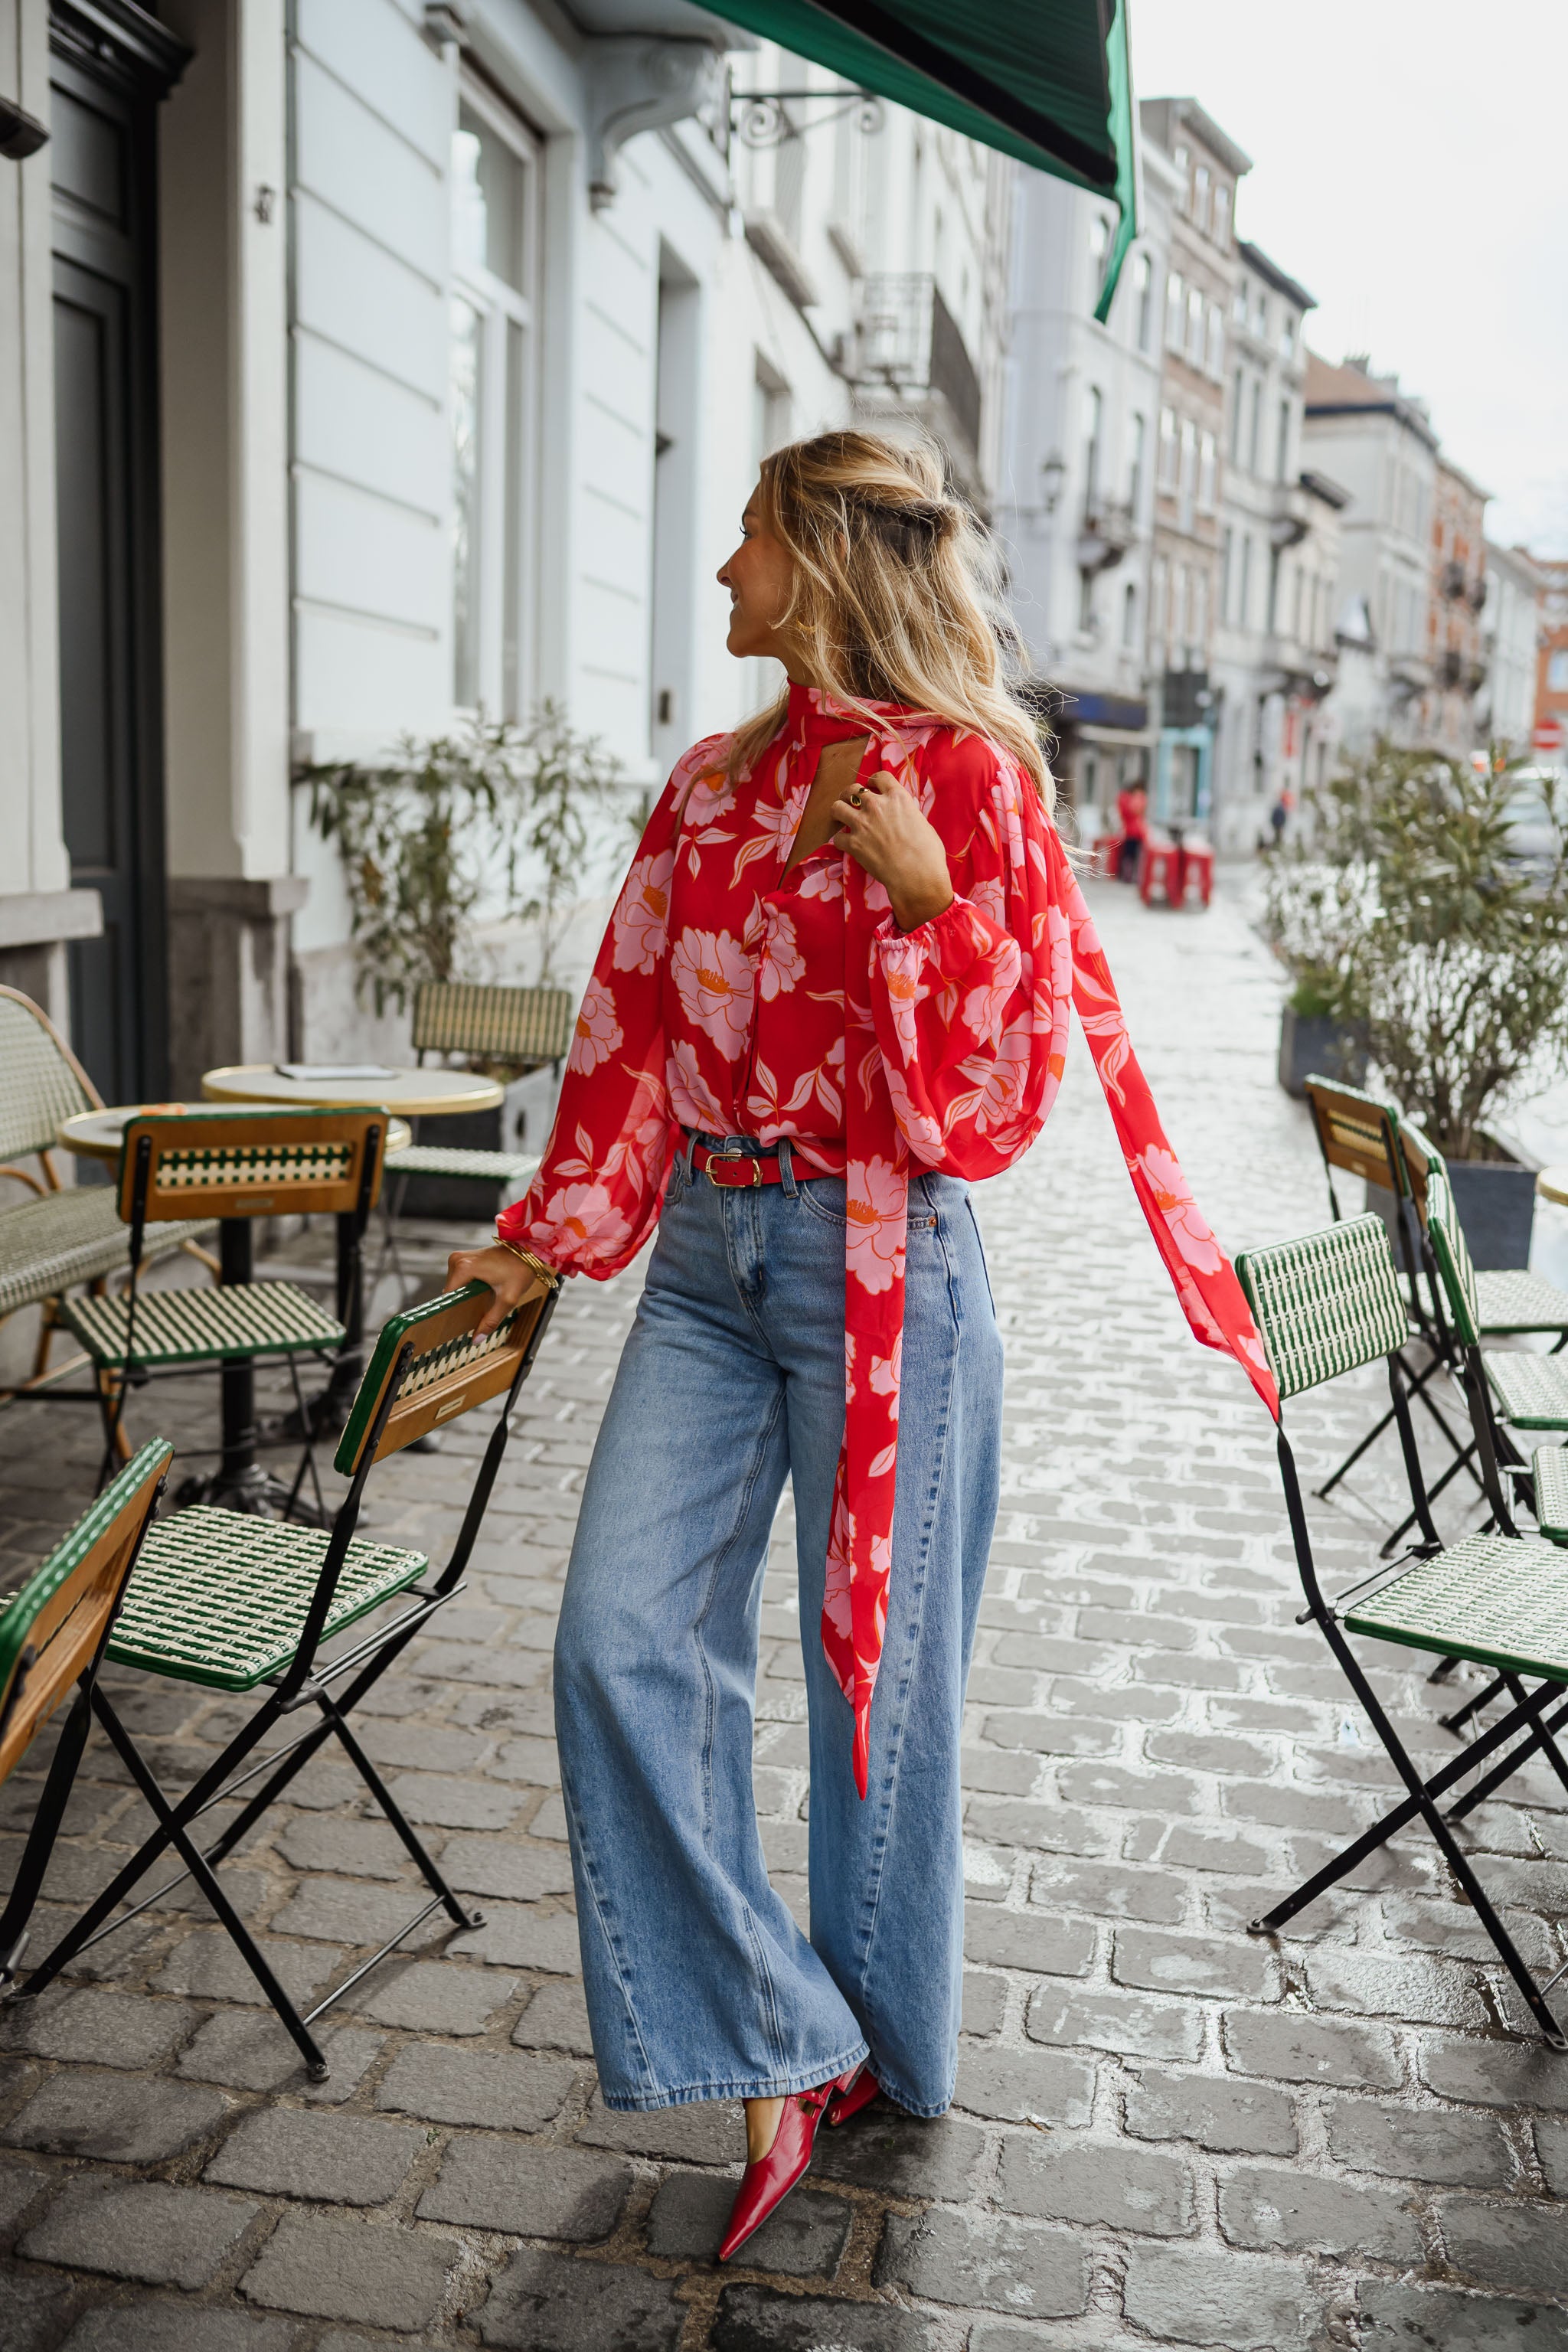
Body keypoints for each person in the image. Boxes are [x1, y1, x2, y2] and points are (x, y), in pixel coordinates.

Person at [446, 431, 1274, 2261]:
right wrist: (539, 1243)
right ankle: (780, 2030)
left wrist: (925, 899)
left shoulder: (969, 781)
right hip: (703, 1264)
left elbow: (995, 1108)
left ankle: (877, 2058)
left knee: (878, 1692)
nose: (724, 571)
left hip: (886, 1266)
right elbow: (628, 1029)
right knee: (614, 1638)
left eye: (748, 536)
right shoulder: (705, 790)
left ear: (821, 557)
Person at [1115, 777, 1148, 881]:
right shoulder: (1136, 798)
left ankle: (1126, 875)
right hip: (1135, 831)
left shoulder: (1124, 798)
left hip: (1130, 831)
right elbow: (1135, 810)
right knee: (1132, 854)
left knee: (1128, 854)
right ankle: (1129, 875)